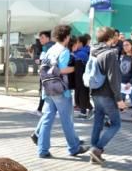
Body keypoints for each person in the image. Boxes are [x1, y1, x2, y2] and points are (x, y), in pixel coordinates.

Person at [36, 25, 87, 158]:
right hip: (60, 90)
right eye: (69, 35)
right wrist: (74, 69)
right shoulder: (63, 51)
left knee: (47, 119)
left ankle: (42, 150)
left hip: (47, 89)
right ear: (66, 36)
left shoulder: (51, 49)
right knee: (67, 121)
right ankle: (74, 148)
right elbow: (62, 69)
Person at [88, 26, 126, 164]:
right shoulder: (109, 54)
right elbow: (113, 78)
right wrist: (119, 99)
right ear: (110, 38)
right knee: (116, 124)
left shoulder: (93, 51)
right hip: (107, 94)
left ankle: (94, 151)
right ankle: (97, 149)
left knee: (98, 122)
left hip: (95, 92)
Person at [72, 34, 92, 119]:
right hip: (79, 78)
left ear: (81, 43)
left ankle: (87, 110)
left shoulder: (82, 54)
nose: (75, 44)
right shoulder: (79, 52)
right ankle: (84, 111)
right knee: (80, 95)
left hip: (82, 78)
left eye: (77, 42)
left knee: (82, 95)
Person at [34, 31, 54, 114]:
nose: (40, 39)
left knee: (44, 90)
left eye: (42, 37)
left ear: (48, 38)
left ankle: (40, 109)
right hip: (46, 72)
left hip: (47, 73)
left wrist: (40, 61)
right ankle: (40, 109)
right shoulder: (46, 46)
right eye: (40, 38)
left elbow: (48, 60)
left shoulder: (48, 47)